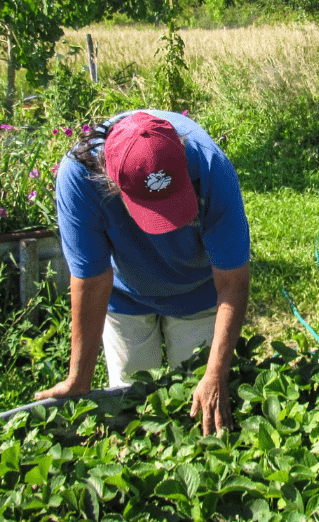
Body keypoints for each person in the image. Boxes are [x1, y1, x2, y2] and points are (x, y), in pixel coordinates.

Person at [35, 110, 251, 436]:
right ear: (110, 181)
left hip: (199, 290)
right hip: (126, 294)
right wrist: (79, 378)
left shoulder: (210, 166)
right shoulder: (79, 176)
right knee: (131, 407)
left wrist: (216, 374)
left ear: (182, 158)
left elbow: (232, 281)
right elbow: (91, 280)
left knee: (199, 405)